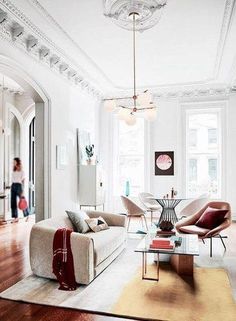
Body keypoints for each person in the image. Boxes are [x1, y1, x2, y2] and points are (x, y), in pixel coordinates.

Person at [11, 157, 30, 223]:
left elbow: (23, 181)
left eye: (14, 162)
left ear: (17, 162)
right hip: (13, 186)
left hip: (19, 186)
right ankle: (15, 217)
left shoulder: (22, 171)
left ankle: (27, 215)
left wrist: (22, 190)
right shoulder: (14, 171)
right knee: (13, 202)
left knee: (22, 201)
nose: (13, 163)